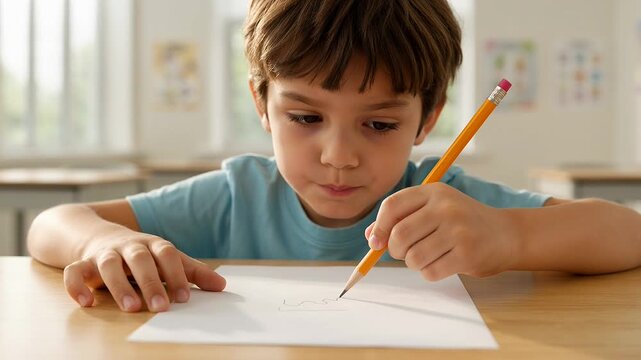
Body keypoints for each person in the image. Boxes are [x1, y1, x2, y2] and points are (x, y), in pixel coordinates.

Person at [27, 0, 641, 313]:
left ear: (428, 117)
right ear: (262, 106)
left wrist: (511, 236)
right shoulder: (236, 195)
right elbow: (51, 224)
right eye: (305, 118)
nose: (339, 156)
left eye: (378, 123)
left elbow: (629, 234)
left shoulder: (449, 203)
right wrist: (97, 245)